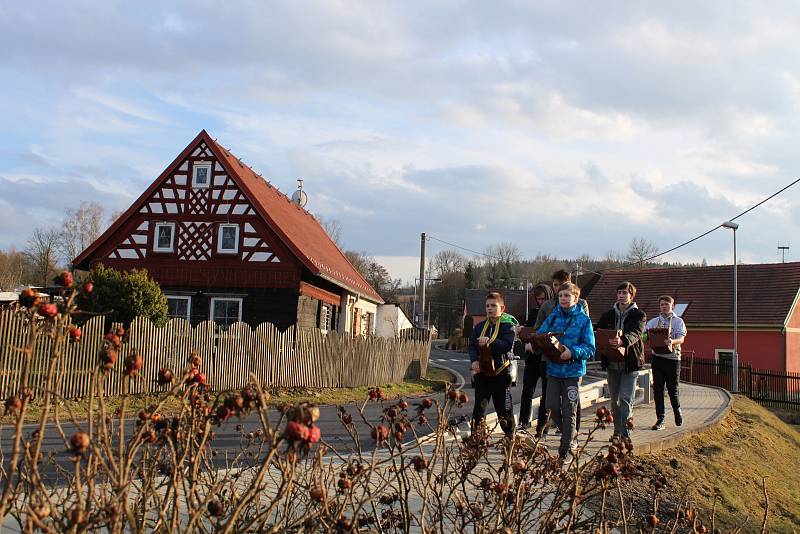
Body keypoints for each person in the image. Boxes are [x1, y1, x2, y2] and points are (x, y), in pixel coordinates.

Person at [537, 282, 595, 460]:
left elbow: (590, 348)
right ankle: (569, 434)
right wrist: (536, 342)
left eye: (567, 296)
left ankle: (565, 448)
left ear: (576, 298)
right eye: (561, 296)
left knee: (569, 408)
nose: (563, 299)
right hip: (553, 370)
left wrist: (572, 352)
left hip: (573, 371)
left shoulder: (584, 320)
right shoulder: (553, 317)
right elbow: (541, 334)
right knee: (551, 405)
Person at [535, 269, 589, 432]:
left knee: (571, 404)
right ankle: (561, 430)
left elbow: (584, 331)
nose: (558, 290)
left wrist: (573, 351)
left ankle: (572, 433)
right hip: (552, 361)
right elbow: (540, 331)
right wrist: (541, 342)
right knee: (550, 401)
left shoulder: (581, 306)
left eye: (561, 286)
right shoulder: (548, 306)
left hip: (573, 364)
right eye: (556, 286)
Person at [596, 281, 647, 442]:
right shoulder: (608, 315)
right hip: (612, 363)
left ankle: (625, 434)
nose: (622, 296)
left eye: (625, 293)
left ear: (631, 295)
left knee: (625, 398)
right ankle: (617, 431)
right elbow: (599, 331)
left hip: (630, 364)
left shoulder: (639, 315)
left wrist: (623, 340)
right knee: (614, 400)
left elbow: (636, 333)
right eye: (619, 293)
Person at [468, 292, 517, 438]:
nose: (489, 309)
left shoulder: (508, 327)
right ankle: (476, 444)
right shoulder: (479, 327)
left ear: (502, 308)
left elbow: (507, 346)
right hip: (483, 375)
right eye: (487, 306)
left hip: (501, 375)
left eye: (493, 306)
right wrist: (474, 360)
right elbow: (472, 345)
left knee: (504, 412)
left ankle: (510, 442)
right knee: (479, 411)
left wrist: (491, 341)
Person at [517, 283, 553, 436]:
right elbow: (527, 333)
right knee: (527, 391)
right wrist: (524, 339)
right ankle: (523, 423)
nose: (541, 302)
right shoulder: (533, 313)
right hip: (532, 358)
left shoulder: (554, 313)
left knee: (546, 393)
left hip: (546, 359)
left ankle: (542, 428)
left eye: (544, 299)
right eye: (538, 299)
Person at [646, 295, 687, 430]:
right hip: (657, 358)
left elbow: (681, 338)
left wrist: (672, 341)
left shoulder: (678, 321)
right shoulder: (653, 322)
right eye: (662, 305)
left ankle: (677, 410)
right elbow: (645, 335)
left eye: (666, 304)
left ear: (672, 306)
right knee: (658, 390)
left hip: (673, 359)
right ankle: (661, 419)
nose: (664, 307)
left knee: (672, 390)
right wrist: (643, 337)